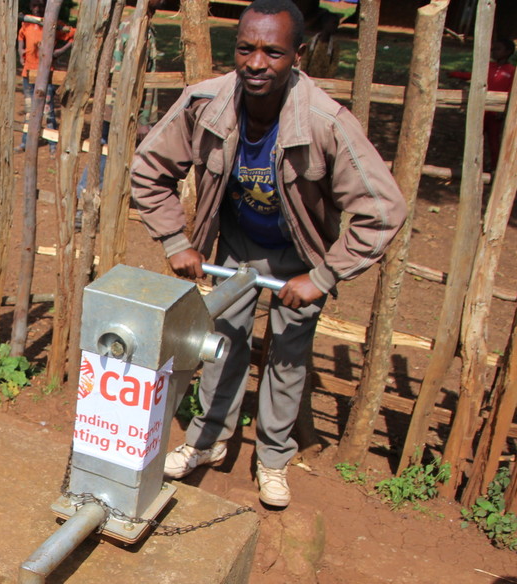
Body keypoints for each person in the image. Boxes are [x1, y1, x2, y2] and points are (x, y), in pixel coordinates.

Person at [131, 0, 405, 508]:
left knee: (288, 358)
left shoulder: (326, 122)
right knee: (221, 342)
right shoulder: (205, 104)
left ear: (297, 55)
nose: (256, 63)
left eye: (273, 52)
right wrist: (175, 240)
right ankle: (206, 442)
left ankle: (274, 459)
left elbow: (383, 209)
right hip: (236, 248)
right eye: (246, 48)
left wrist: (323, 277)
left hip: (301, 258)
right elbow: (150, 169)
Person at [17, 0, 75, 154]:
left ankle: (52, 144)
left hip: (45, 74)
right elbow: (21, 37)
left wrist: (59, 52)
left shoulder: (54, 24)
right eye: (34, 6)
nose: (37, 9)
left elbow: (73, 35)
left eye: (41, 6)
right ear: (30, 6)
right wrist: (20, 52)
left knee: (48, 111)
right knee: (30, 110)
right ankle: (25, 142)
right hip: (28, 74)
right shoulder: (28, 23)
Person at [449, 37, 515, 168]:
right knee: (474, 137)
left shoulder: (512, 71)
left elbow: (512, 90)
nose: (493, 52)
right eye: (492, 49)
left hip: (496, 112)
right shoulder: (488, 66)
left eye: (497, 49)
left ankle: (496, 166)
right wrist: (454, 74)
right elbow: (473, 75)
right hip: (481, 108)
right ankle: (471, 164)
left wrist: (504, 110)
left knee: (493, 139)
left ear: (508, 52)